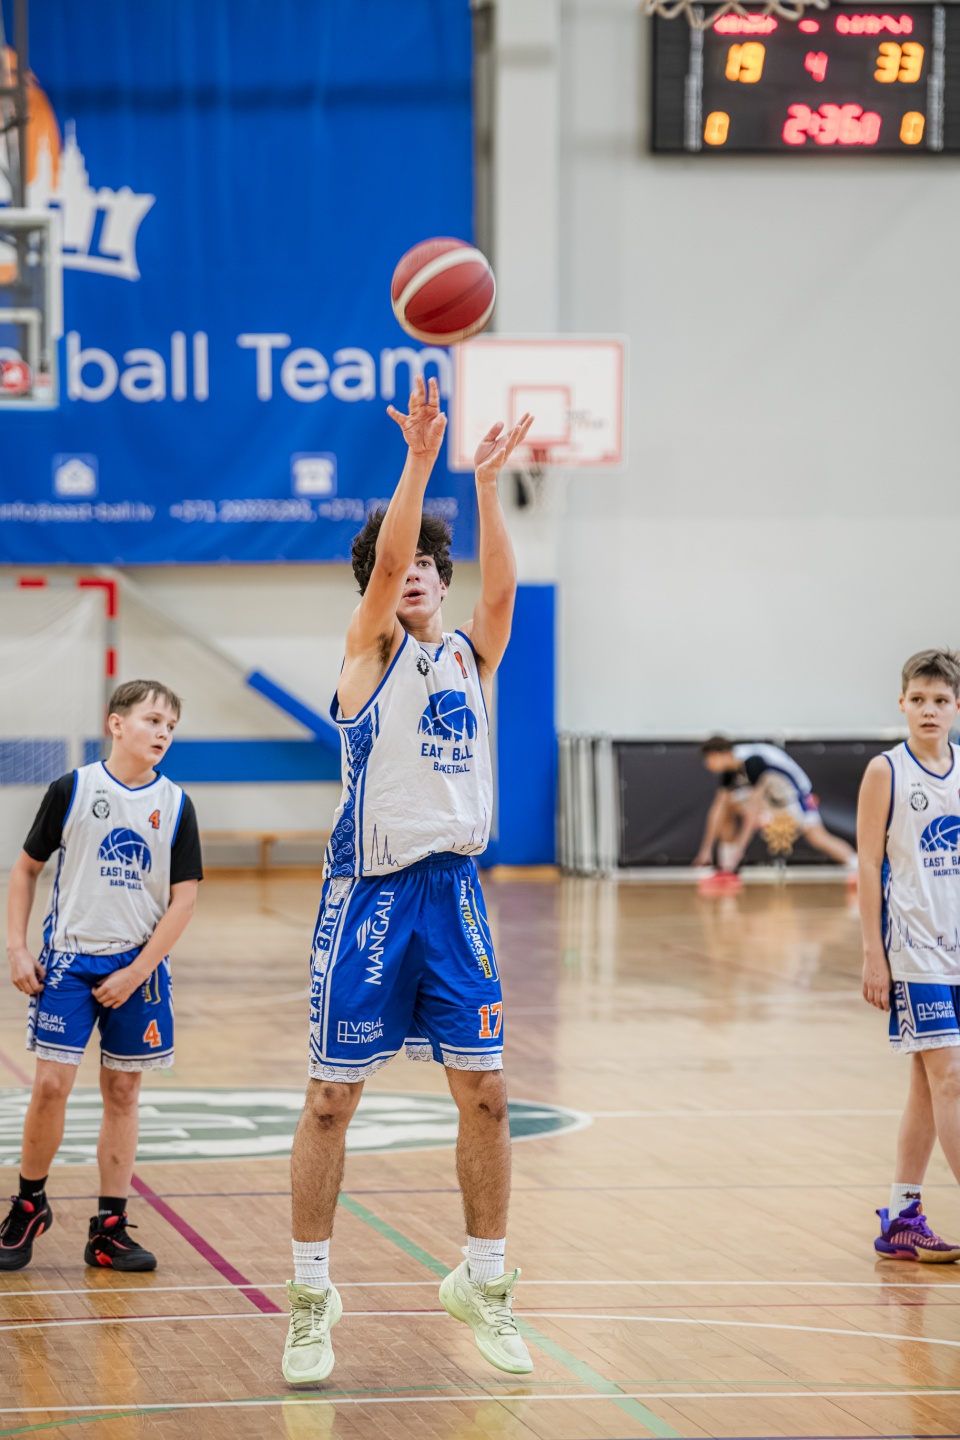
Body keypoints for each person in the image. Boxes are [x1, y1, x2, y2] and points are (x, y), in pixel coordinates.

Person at [281, 376, 535, 1386]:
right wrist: (421, 460)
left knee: (489, 1096)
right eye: (405, 568)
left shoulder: (470, 658)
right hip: (370, 898)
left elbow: (502, 596)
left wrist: (489, 485)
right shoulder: (369, 649)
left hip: (455, 894)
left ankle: (486, 1281)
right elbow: (386, 561)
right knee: (329, 1103)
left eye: (433, 564)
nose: (418, 573)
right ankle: (311, 1299)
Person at [1, 680, 202, 1273]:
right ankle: (29, 1205)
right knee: (50, 1086)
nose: (163, 733)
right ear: (116, 723)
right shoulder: (74, 788)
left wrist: (137, 971)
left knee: (123, 1092)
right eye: (153, 720)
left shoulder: (178, 804)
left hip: (138, 968)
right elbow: (25, 870)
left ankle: (108, 1228)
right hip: (69, 961)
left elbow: (184, 900)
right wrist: (17, 948)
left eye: (171, 726)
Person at [858, 648, 960, 1262]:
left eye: (940, 700)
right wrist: (874, 954)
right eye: (918, 699)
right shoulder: (886, 771)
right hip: (914, 951)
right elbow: (869, 863)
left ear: (957, 707)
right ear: (902, 703)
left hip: (958, 948)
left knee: (926, 1084)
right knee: (951, 1077)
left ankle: (902, 1217)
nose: (928, 709)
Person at [694, 736, 857, 876]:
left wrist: (741, 848)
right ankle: (726, 866)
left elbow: (753, 808)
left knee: (818, 837)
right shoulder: (730, 770)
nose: (707, 764)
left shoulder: (752, 761)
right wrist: (705, 850)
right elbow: (719, 806)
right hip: (773, 799)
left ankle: (856, 866)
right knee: (726, 805)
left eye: (709, 758)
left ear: (722, 754)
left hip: (796, 797)